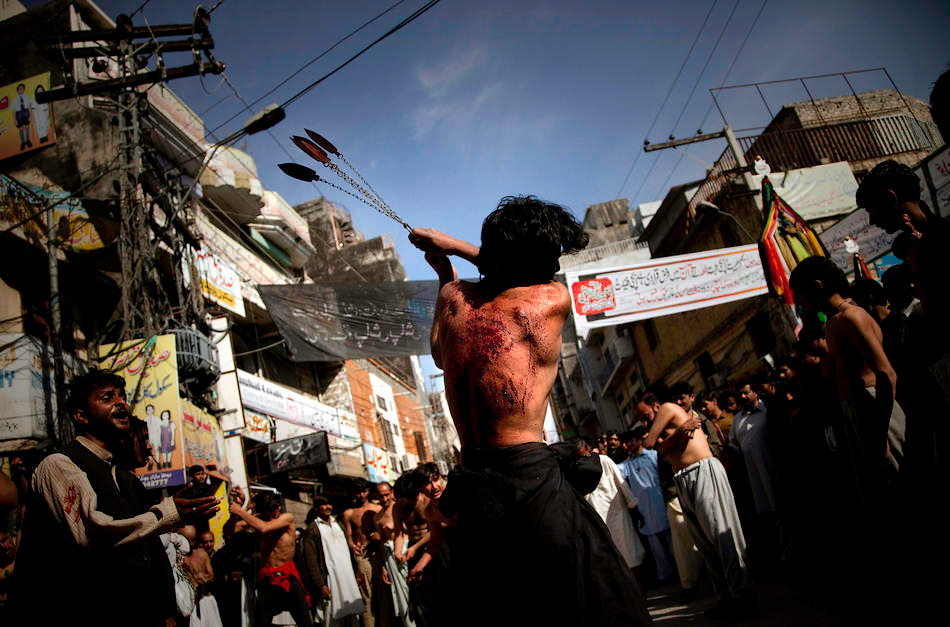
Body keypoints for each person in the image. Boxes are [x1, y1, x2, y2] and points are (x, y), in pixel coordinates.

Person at [408, 195, 650, 625]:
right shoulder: (548, 299)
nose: (554, 264)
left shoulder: (452, 297)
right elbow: (512, 269)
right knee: (592, 604)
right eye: (548, 255)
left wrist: (447, 268)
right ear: (530, 259)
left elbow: (441, 356)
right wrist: (455, 246)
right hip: (527, 480)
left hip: (477, 484)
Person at [12, 369, 219, 626]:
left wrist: (162, 610)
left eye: (122, 396)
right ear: (81, 415)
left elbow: (145, 550)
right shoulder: (60, 464)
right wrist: (167, 514)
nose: (121, 403)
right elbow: (94, 534)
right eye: (107, 398)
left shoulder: (119, 475)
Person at [642, 396, 753, 620]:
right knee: (705, 542)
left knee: (720, 534)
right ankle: (725, 597)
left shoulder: (667, 407)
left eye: (645, 415)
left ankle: (741, 597)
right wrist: (680, 431)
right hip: (683, 478)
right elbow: (662, 449)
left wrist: (675, 434)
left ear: (656, 405)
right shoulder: (675, 425)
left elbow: (649, 442)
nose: (645, 421)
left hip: (701, 470)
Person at [229, 492, 313, 627]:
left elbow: (264, 528)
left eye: (274, 511)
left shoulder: (287, 518)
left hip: (288, 578)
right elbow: (231, 530)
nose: (272, 515)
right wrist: (239, 510)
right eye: (268, 512)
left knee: (305, 622)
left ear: (279, 506)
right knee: (261, 623)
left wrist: (240, 511)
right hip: (268, 579)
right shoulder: (259, 519)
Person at [576, 438, 646, 584]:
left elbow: (622, 484)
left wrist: (634, 507)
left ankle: (640, 592)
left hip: (619, 516)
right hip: (599, 523)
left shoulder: (604, 461)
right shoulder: (577, 469)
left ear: (588, 448)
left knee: (631, 557)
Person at [618, 424, 675, 585]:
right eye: (627, 442)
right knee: (657, 551)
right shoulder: (626, 465)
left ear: (639, 440)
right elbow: (614, 472)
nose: (629, 444)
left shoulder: (654, 456)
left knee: (673, 544)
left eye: (631, 440)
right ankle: (665, 577)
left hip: (662, 505)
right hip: (645, 513)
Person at [304, 497, 364, 626]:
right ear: (316, 509)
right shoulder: (313, 529)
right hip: (330, 580)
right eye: (324, 504)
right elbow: (311, 560)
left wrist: (356, 574)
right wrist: (321, 584)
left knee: (352, 614)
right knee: (332, 617)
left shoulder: (338, 524)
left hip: (347, 578)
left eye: (329, 504)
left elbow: (348, 551)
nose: (328, 507)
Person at [341, 478, 381, 627]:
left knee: (383, 593)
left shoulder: (377, 509)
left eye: (363, 491)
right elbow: (349, 536)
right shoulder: (349, 513)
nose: (361, 495)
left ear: (368, 491)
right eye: (358, 492)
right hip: (362, 556)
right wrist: (353, 547)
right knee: (367, 595)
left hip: (379, 552)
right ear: (353, 493)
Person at [673, 382, 723, 457]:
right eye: (675, 399)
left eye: (681, 398)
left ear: (692, 397)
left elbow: (716, 445)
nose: (678, 402)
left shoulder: (704, 420)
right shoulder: (673, 423)